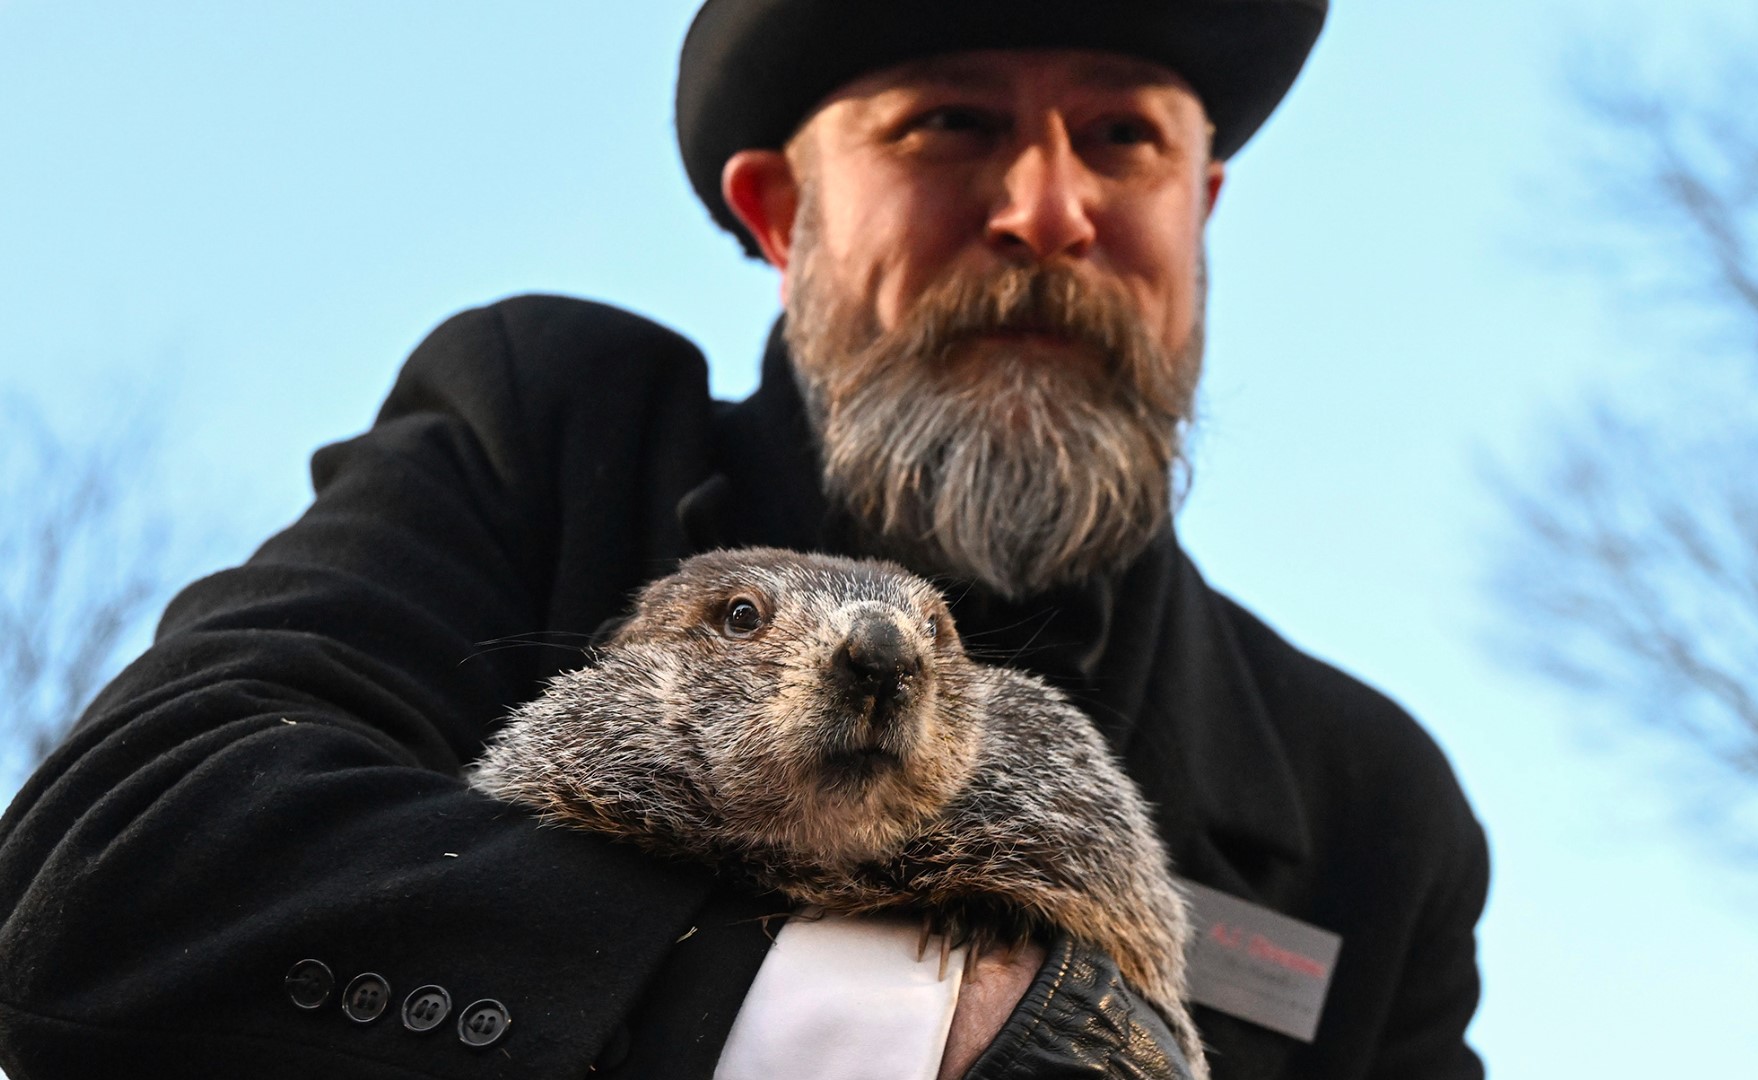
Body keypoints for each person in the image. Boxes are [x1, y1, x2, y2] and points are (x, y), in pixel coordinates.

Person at [0, 1, 1489, 1077]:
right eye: (950, 124)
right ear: (784, 217)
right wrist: (891, 1030)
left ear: (1201, 207)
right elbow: (118, 865)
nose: (1050, 209)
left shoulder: (1370, 805)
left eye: (1125, 139)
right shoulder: (553, 440)